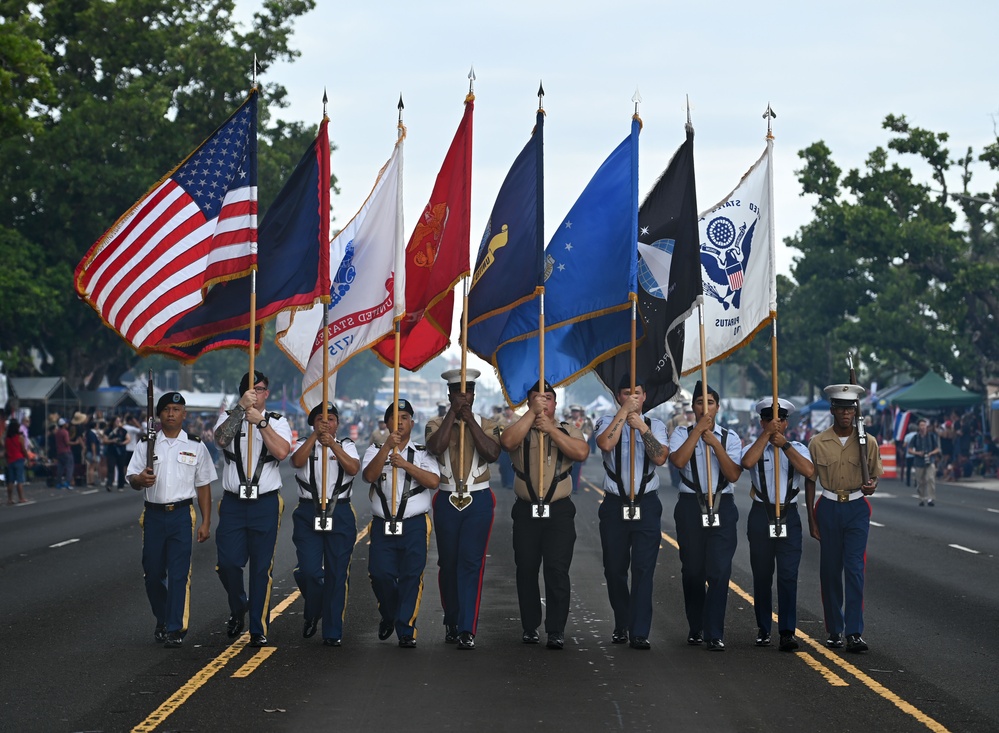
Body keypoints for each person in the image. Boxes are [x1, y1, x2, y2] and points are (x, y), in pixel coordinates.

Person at [500, 380, 589, 650]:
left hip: (559, 511)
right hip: (526, 510)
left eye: (548, 398)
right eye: (537, 398)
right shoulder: (519, 428)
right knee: (526, 569)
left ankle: (556, 629)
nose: (543, 402)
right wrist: (531, 416)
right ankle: (530, 626)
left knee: (556, 570)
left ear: (555, 403)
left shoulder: (569, 429)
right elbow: (507, 442)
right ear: (529, 402)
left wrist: (551, 428)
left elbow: (580, 452)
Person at [127, 392, 216, 648]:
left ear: (184, 414)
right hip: (153, 514)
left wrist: (206, 522)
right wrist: (139, 480)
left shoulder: (196, 445)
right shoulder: (146, 444)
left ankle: (176, 627)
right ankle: (163, 618)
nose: (171, 413)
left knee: (179, 574)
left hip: (180, 514)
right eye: (166, 409)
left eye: (176, 409)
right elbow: (132, 477)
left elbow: (204, 486)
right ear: (158, 414)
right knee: (153, 574)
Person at [214, 370, 293, 648]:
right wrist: (239, 411)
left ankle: (258, 627)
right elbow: (221, 440)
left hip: (265, 502)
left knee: (261, 568)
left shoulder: (277, 421)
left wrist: (260, 423)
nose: (255, 393)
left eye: (259, 389)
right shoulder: (228, 417)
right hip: (234, 502)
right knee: (228, 564)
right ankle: (239, 607)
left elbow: (282, 452)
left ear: (267, 394)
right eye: (250, 389)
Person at [425, 369, 501, 651]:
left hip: (478, 499)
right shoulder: (435, 423)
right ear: (449, 395)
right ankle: (452, 619)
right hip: (446, 499)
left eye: (467, 392)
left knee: (471, 564)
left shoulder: (488, 424)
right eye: (458, 393)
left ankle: (467, 628)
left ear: (474, 394)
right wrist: (452, 415)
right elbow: (436, 447)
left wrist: (469, 420)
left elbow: (492, 453)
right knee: (448, 563)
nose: (463, 397)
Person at [805, 383, 883, 653]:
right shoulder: (817, 442)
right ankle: (835, 630)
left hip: (856, 508)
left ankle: (854, 631)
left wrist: (871, 486)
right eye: (841, 408)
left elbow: (873, 477)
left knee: (854, 570)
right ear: (832, 410)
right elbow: (810, 482)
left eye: (850, 408)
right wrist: (811, 520)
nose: (846, 413)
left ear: (855, 410)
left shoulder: (867, 442)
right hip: (827, 508)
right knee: (829, 572)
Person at [594, 376, 669, 650]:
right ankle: (622, 621)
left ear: (645, 396)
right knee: (614, 569)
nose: (633, 397)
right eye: (627, 393)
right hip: (615, 505)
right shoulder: (606, 421)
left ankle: (639, 631)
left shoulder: (656, 425)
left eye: (637, 393)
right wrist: (624, 415)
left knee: (643, 569)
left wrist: (643, 429)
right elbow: (605, 444)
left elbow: (660, 457)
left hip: (646, 504)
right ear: (618, 396)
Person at [668, 381, 744, 651]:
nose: (705, 407)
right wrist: (698, 432)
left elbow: (734, 474)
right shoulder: (681, 432)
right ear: (693, 407)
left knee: (720, 570)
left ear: (718, 407)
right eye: (700, 402)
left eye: (710, 402)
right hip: (691, 505)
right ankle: (696, 626)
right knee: (692, 570)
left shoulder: (730, 437)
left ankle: (714, 632)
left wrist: (714, 443)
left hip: (723, 504)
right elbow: (677, 462)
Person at [361, 398, 440, 648]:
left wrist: (405, 465)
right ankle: (390, 614)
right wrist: (386, 449)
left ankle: (406, 628)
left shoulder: (422, 452)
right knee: (380, 574)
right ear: (386, 423)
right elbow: (369, 476)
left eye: (405, 417)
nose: (400, 422)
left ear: (412, 423)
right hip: (383, 522)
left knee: (410, 576)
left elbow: (433, 481)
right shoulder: (375, 449)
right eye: (395, 417)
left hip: (414, 523)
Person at [741, 397, 815, 652]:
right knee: (762, 576)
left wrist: (784, 446)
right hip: (761, 514)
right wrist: (766, 436)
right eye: (771, 419)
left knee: (788, 576)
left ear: (786, 422)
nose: (777, 423)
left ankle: (787, 631)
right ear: (762, 421)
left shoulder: (798, 447)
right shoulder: (754, 446)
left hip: (788, 514)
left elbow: (809, 471)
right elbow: (747, 463)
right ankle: (763, 628)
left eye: (781, 419)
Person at [290, 402, 360, 647]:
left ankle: (332, 631)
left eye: (331, 419)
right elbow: (296, 462)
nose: (326, 423)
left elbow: (353, 468)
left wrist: (332, 445)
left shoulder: (347, 445)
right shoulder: (302, 444)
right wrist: (315, 438)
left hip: (339, 511)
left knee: (337, 573)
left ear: (338, 424)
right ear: (313, 422)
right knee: (308, 570)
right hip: (308, 511)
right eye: (321, 418)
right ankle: (314, 609)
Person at [909, 418, 941, 506]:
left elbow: (937, 448)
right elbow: (909, 449)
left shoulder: (931, 436)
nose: (923, 427)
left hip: (930, 460)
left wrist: (931, 453)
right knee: (920, 481)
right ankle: (921, 497)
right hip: (919, 461)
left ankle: (931, 498)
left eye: (924, 425)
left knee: (930, 479)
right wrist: (917, 453)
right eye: (921, 425)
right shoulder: (915, 437)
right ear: (918, 427)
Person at [6, 417, 28, 504]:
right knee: (19, 480)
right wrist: (28, 458)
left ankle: (9, 499)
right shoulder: (20, 438)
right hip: (19, 459)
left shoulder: (7, 439)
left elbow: (6, 449)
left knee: (10, 481)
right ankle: (21, 498)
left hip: (10, 460)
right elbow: (23, 449)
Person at [54, 417, 74, 490]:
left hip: (59, 452)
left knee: (60, 468)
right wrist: (76, 443)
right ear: (64, 424)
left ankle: (58, 483)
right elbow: (67, 442)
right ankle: (67, 483)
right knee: (69, 467)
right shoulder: (65, 432)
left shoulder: (57, 432)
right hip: (66, 451)